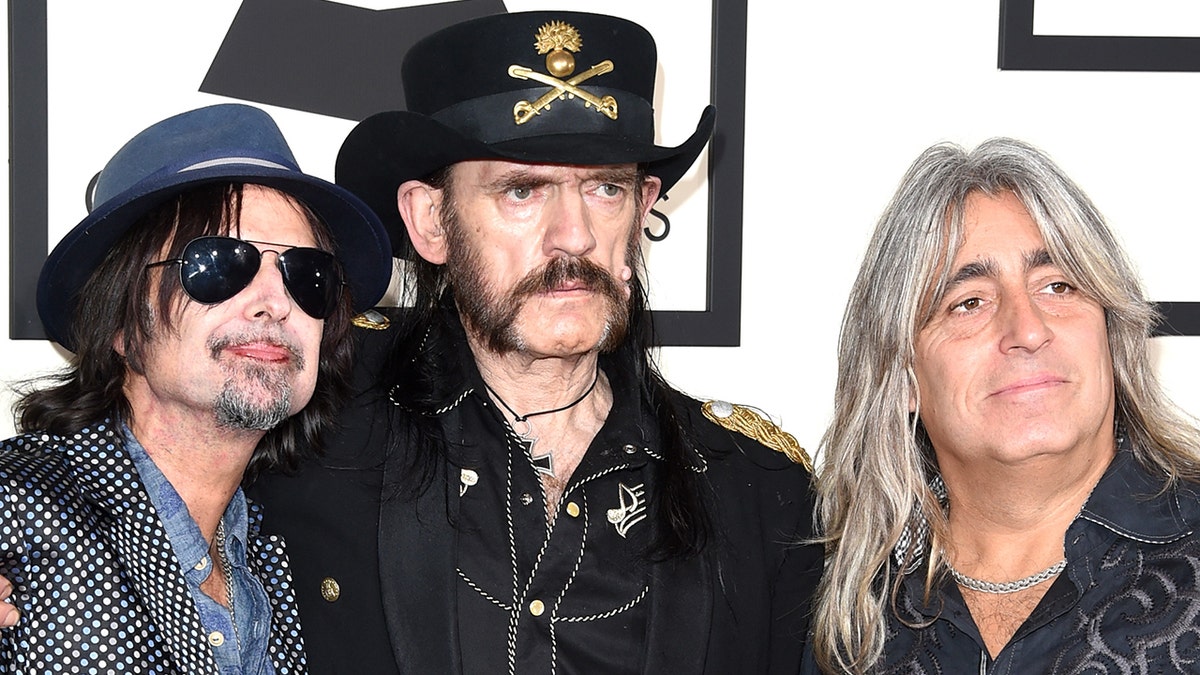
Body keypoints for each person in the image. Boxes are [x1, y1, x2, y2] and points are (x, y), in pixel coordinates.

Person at [250, 10, 821, 674]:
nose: (573, 236)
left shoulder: (757, 493)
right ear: (430, 221)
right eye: (523, 191)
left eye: (606, 189)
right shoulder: (311, 421)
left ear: (642, 209)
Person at [0, 103, 391, 672]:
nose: (275, 303)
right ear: (121, 324)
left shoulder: (279, 560)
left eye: (308, 275)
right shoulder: (22, 505)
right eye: (220, 264)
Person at [806, 138, 1200, 673]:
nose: (1028, 329)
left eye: (1059, 286)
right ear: (901, 378)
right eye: (969, 303)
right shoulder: (846, 619)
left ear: (1112, 335)